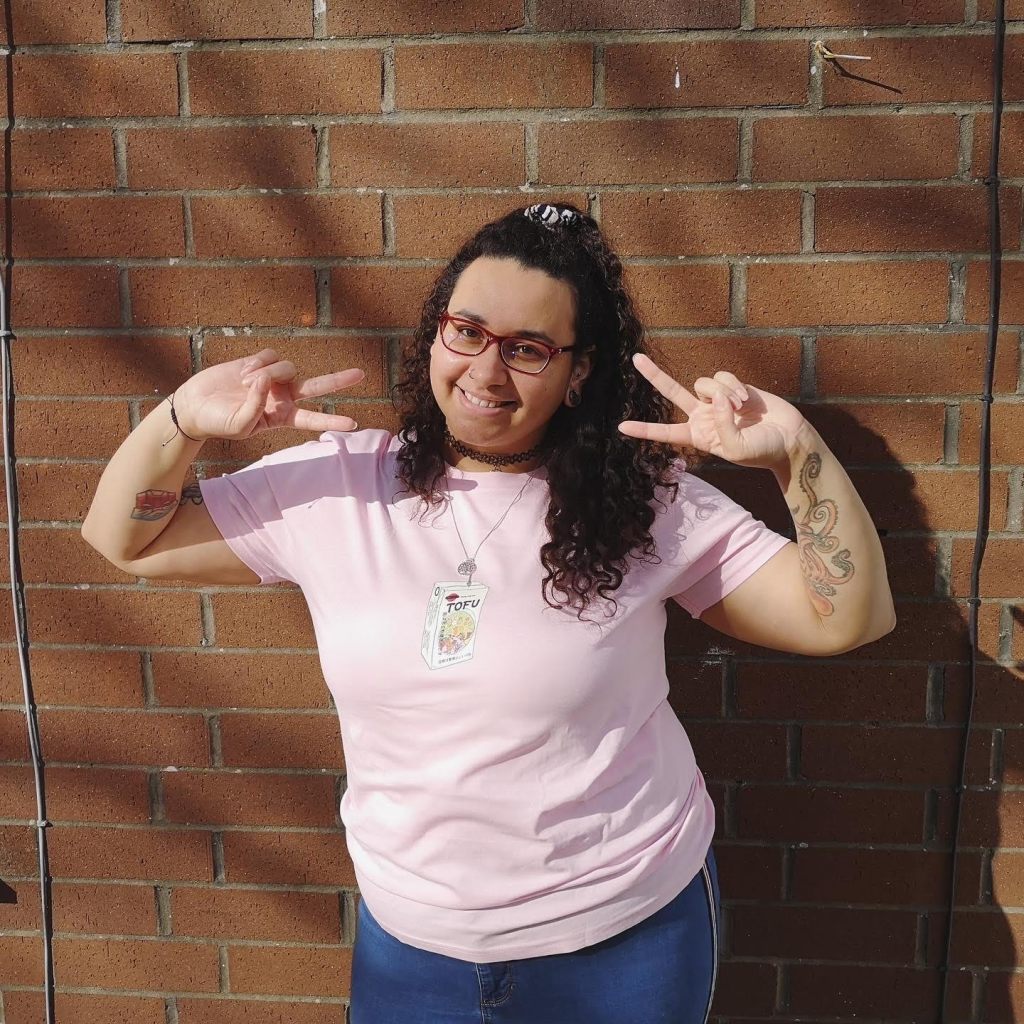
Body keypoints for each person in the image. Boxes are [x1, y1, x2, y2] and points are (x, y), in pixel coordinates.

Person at [81, 202, 897, 1024]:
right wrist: (182, 421)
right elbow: (128, 539)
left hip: (622, 939)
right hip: (412, 949)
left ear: (579, 371)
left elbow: (840, 619)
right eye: (465, 330)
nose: (485, 371)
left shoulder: (646, 504)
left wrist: (797, 456)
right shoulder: (338, 488)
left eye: (528, 349)